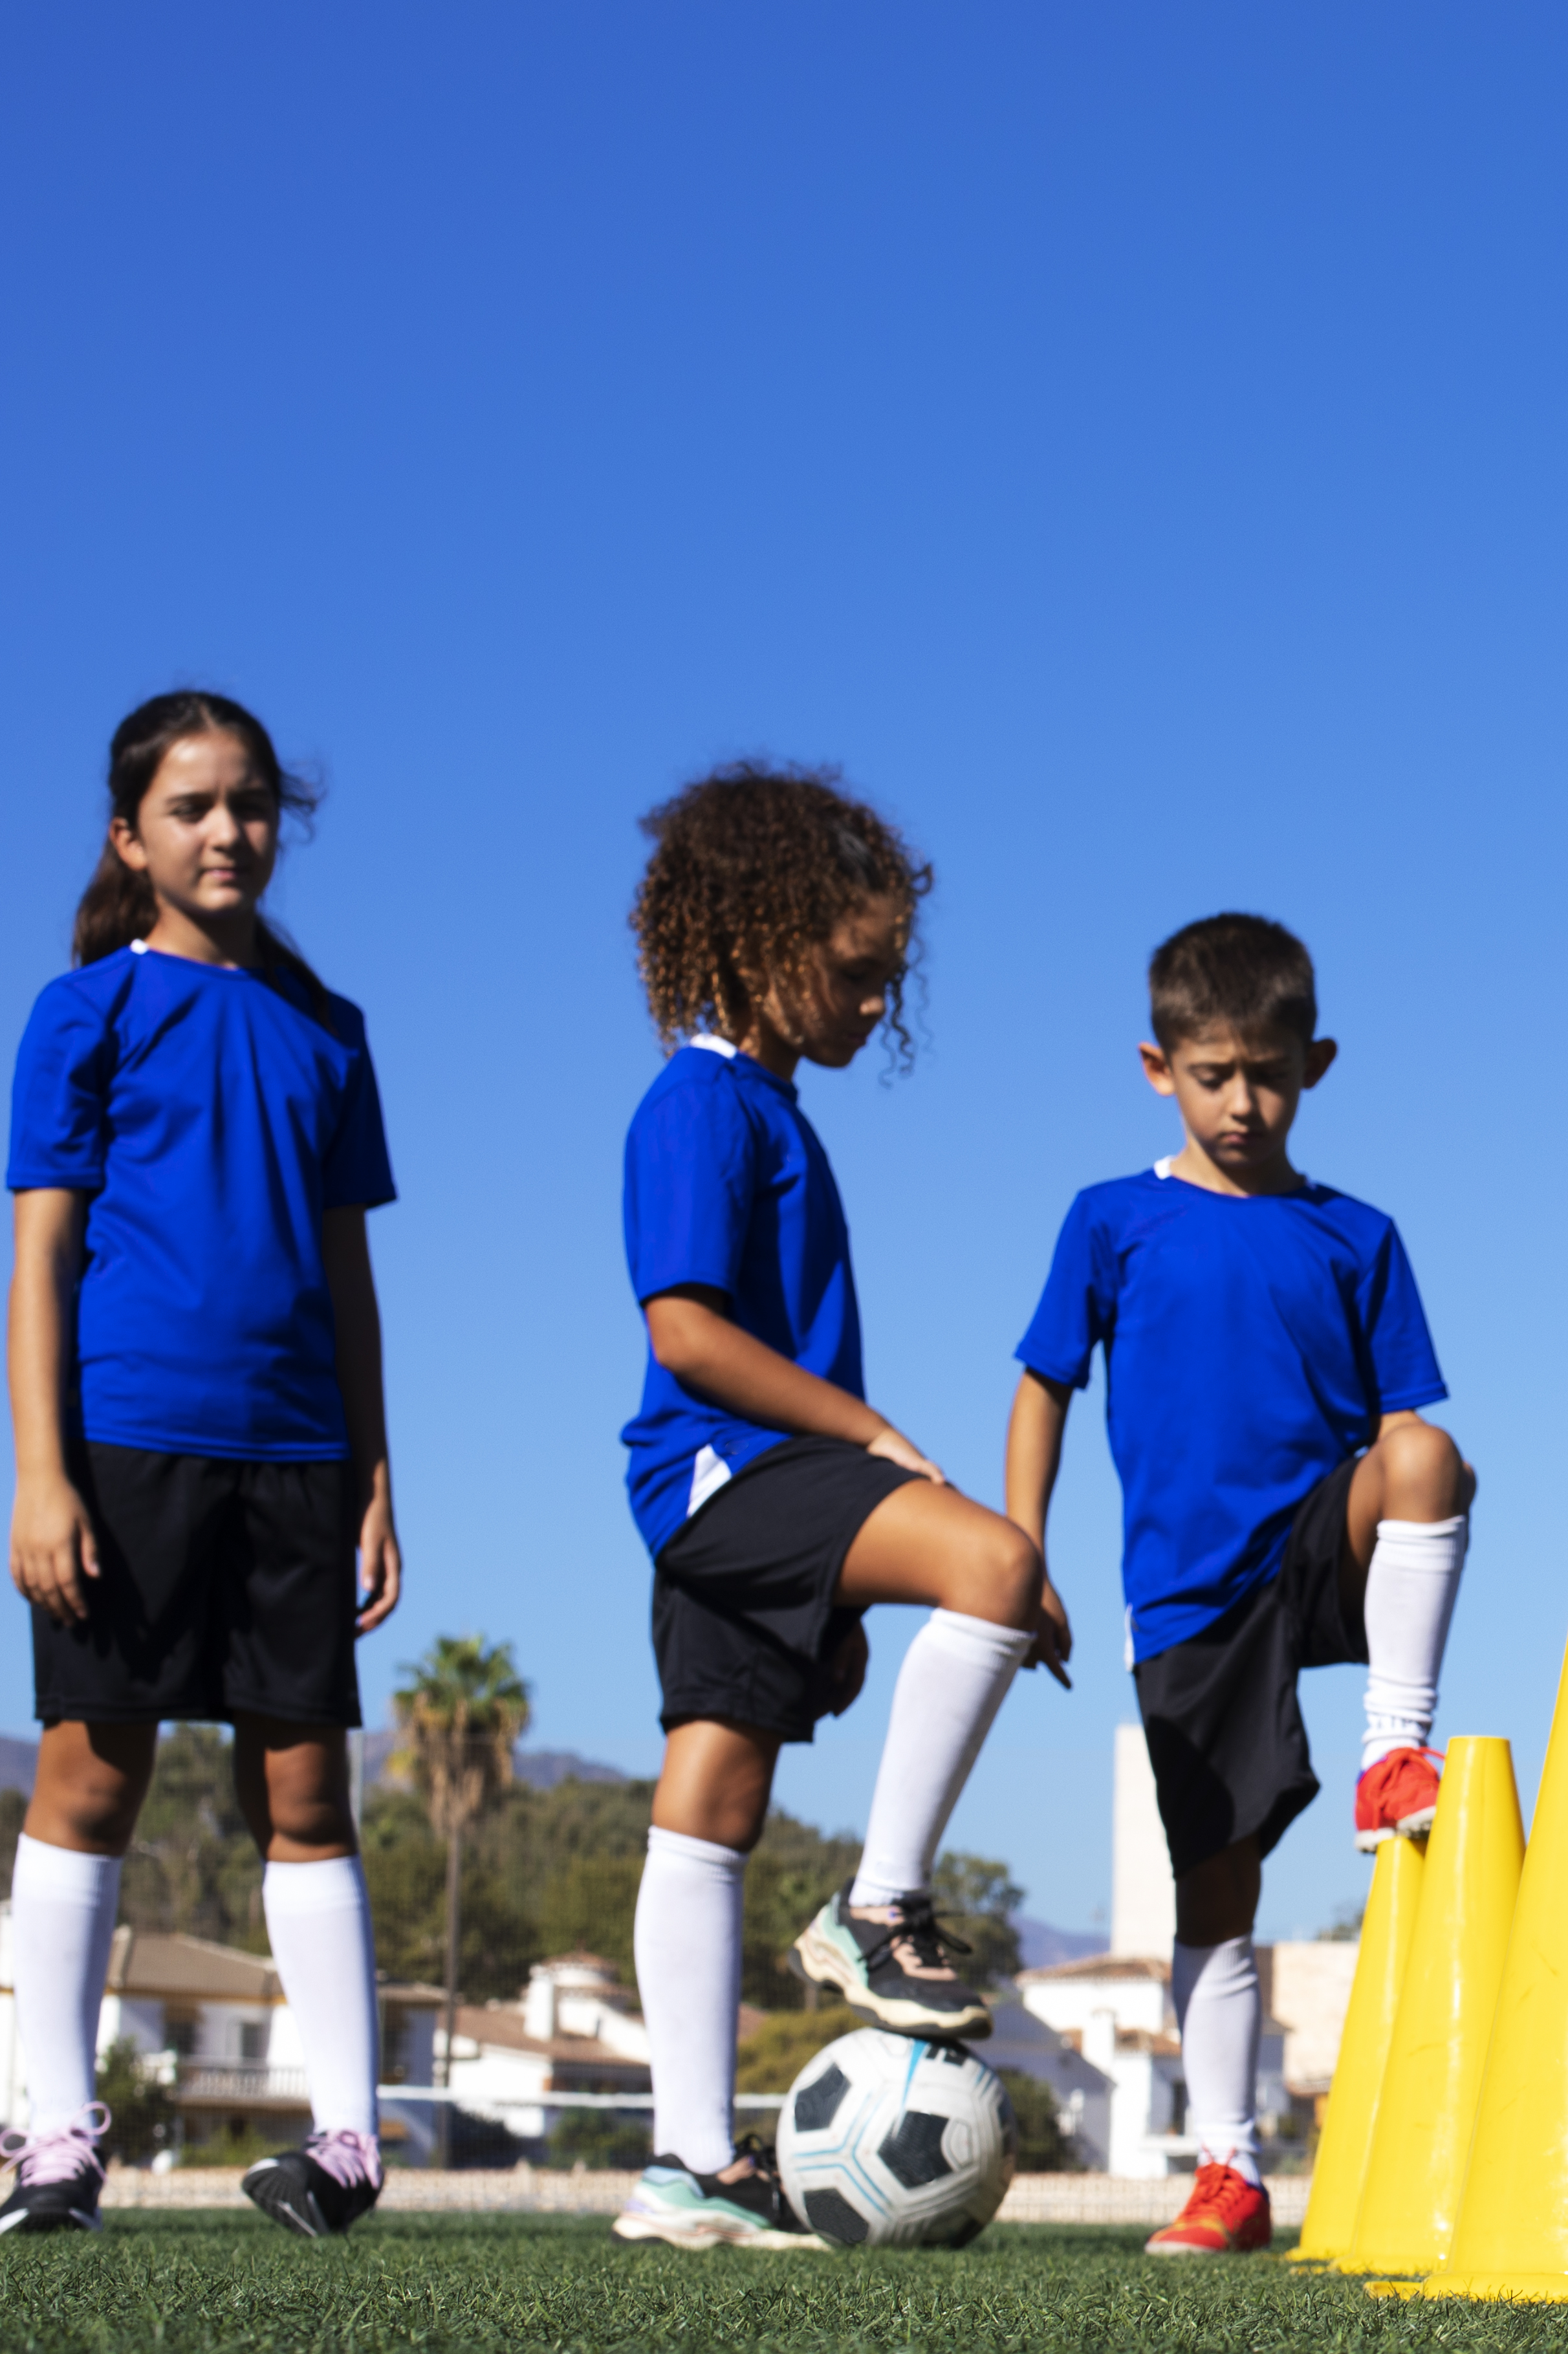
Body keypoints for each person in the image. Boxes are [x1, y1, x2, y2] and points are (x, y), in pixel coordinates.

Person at [607, 764, 1061, 2251]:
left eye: (888, 981)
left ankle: (685, 2164)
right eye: (855, 975)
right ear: (751, 940)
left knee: (714, 1797)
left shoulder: (772, 1111)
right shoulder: (698, 1104)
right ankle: (880, 1906)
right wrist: (882, 1449)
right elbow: (687, 1333)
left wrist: (851, 1575)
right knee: (995, 1558)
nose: (878, 1005)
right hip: (726, 1474)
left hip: (731, 1496)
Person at [0, 690, 402, 2241]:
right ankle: (55, 2141)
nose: (226, 830)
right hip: (124, 1445)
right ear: (131, 836)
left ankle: (351, 2141)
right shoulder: (83, 1012)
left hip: (298, 1453)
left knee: (304, 1780)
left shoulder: (330, 1030)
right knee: (91, 1769)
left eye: (248, 803)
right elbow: (39, 1263)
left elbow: (348, 1277)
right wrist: (45, 1472)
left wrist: (375, 1469)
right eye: (190, 807)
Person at [1004, 913, 1469, 2260]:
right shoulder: (1112, 1218)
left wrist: (1381, 1501)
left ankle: (1396, 1750)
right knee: (1217, 1892)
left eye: (1268, 1073)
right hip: (1189, 1596)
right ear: (1159, 1066)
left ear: (1315, 1063)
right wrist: (1021, 1550)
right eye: (1215, 1074)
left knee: (1431, 1455)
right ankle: (1230, 2171)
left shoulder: (1358, 1234)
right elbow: (1042, 1383)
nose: (1244, 1102)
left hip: (1323, 1544)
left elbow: (1402, 1432)